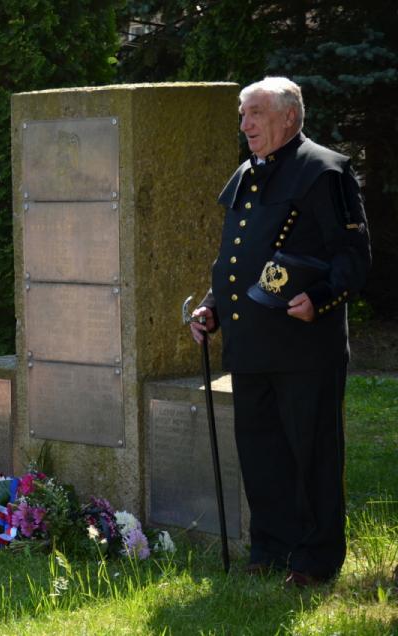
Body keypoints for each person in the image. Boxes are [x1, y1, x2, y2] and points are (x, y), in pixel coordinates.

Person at [190, 77, 372, 587]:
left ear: (289, 117)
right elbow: (236, 260)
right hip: (250, 345)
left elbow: (353, 255)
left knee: (312, 455)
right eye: (242, 114)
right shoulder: (247, 172)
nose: (245, 124)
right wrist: (211, 308)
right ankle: (271, 548)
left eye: (255, 114)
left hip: (303, 347)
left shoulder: (325, 169)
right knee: (261, 453)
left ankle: (315, 560)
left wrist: (321, 298)